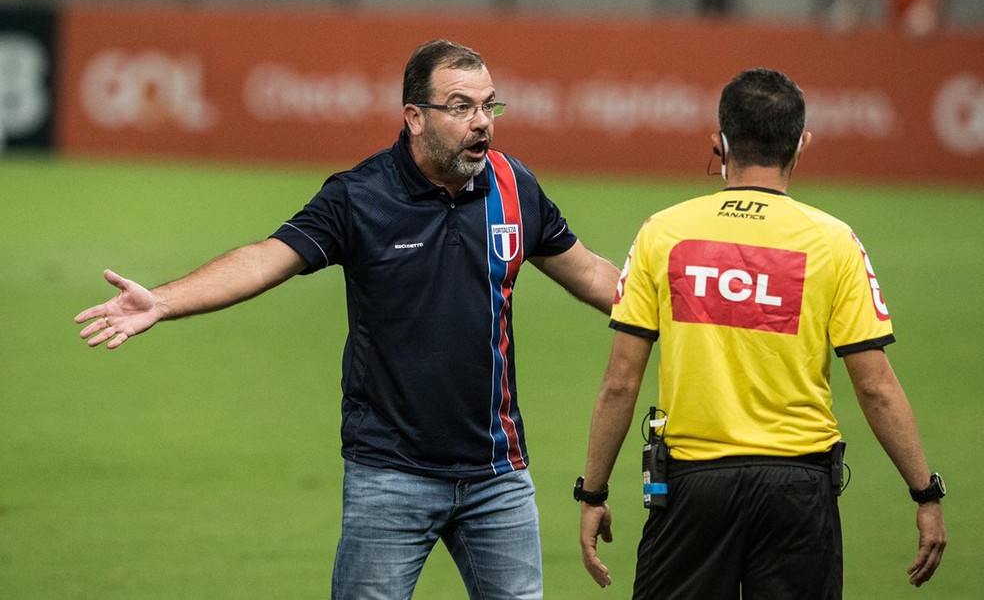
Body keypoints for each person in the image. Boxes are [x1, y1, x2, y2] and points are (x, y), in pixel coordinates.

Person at [76, 39, 620, 600]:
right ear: (414, 117)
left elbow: (594, 277)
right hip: (390, 476)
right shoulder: (360, 197)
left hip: (497, 475)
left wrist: (685, 302)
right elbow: (268, 258)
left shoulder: (514, 187)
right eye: (461, 107)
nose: (481, 123)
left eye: (489, 106)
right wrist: (163, 301)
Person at [576, 68, 947, 599]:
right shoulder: (834, 242)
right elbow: (875, 387)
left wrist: (592, 492)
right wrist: (924, 493)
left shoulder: (664, 232)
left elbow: (620, 380)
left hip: (691, 490)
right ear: (802, 145)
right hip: (799, 490)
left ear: (719, 144)